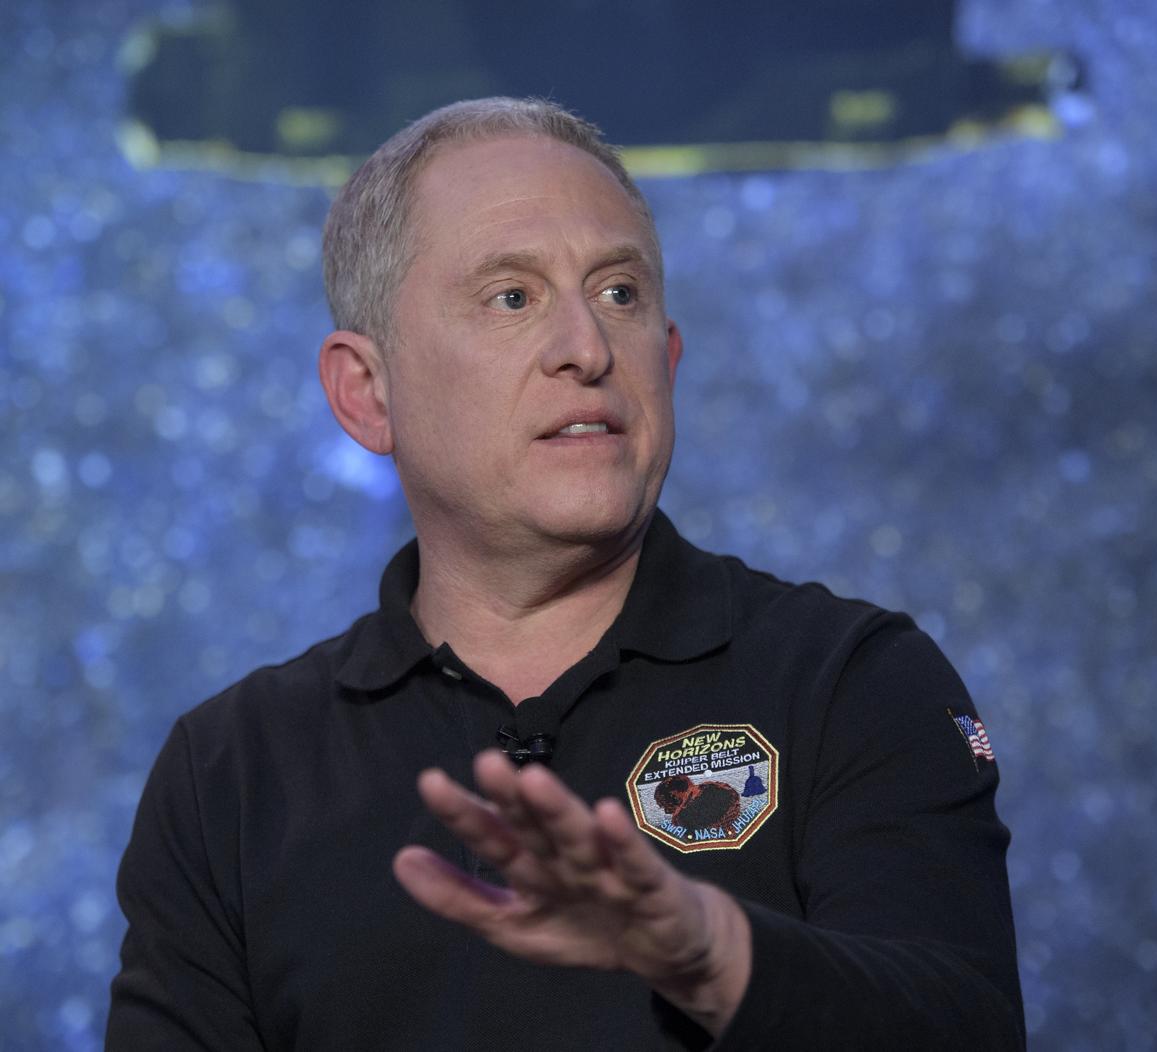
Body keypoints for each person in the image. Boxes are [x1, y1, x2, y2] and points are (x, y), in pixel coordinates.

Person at [108, 97, 1024, 1050]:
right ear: (366, 393)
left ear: (668, 363)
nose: (588, 349)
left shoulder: (854, 682)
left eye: (621, 293)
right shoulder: (232, 775)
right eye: (513, 297)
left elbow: (968, 1029)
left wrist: (715, 956)